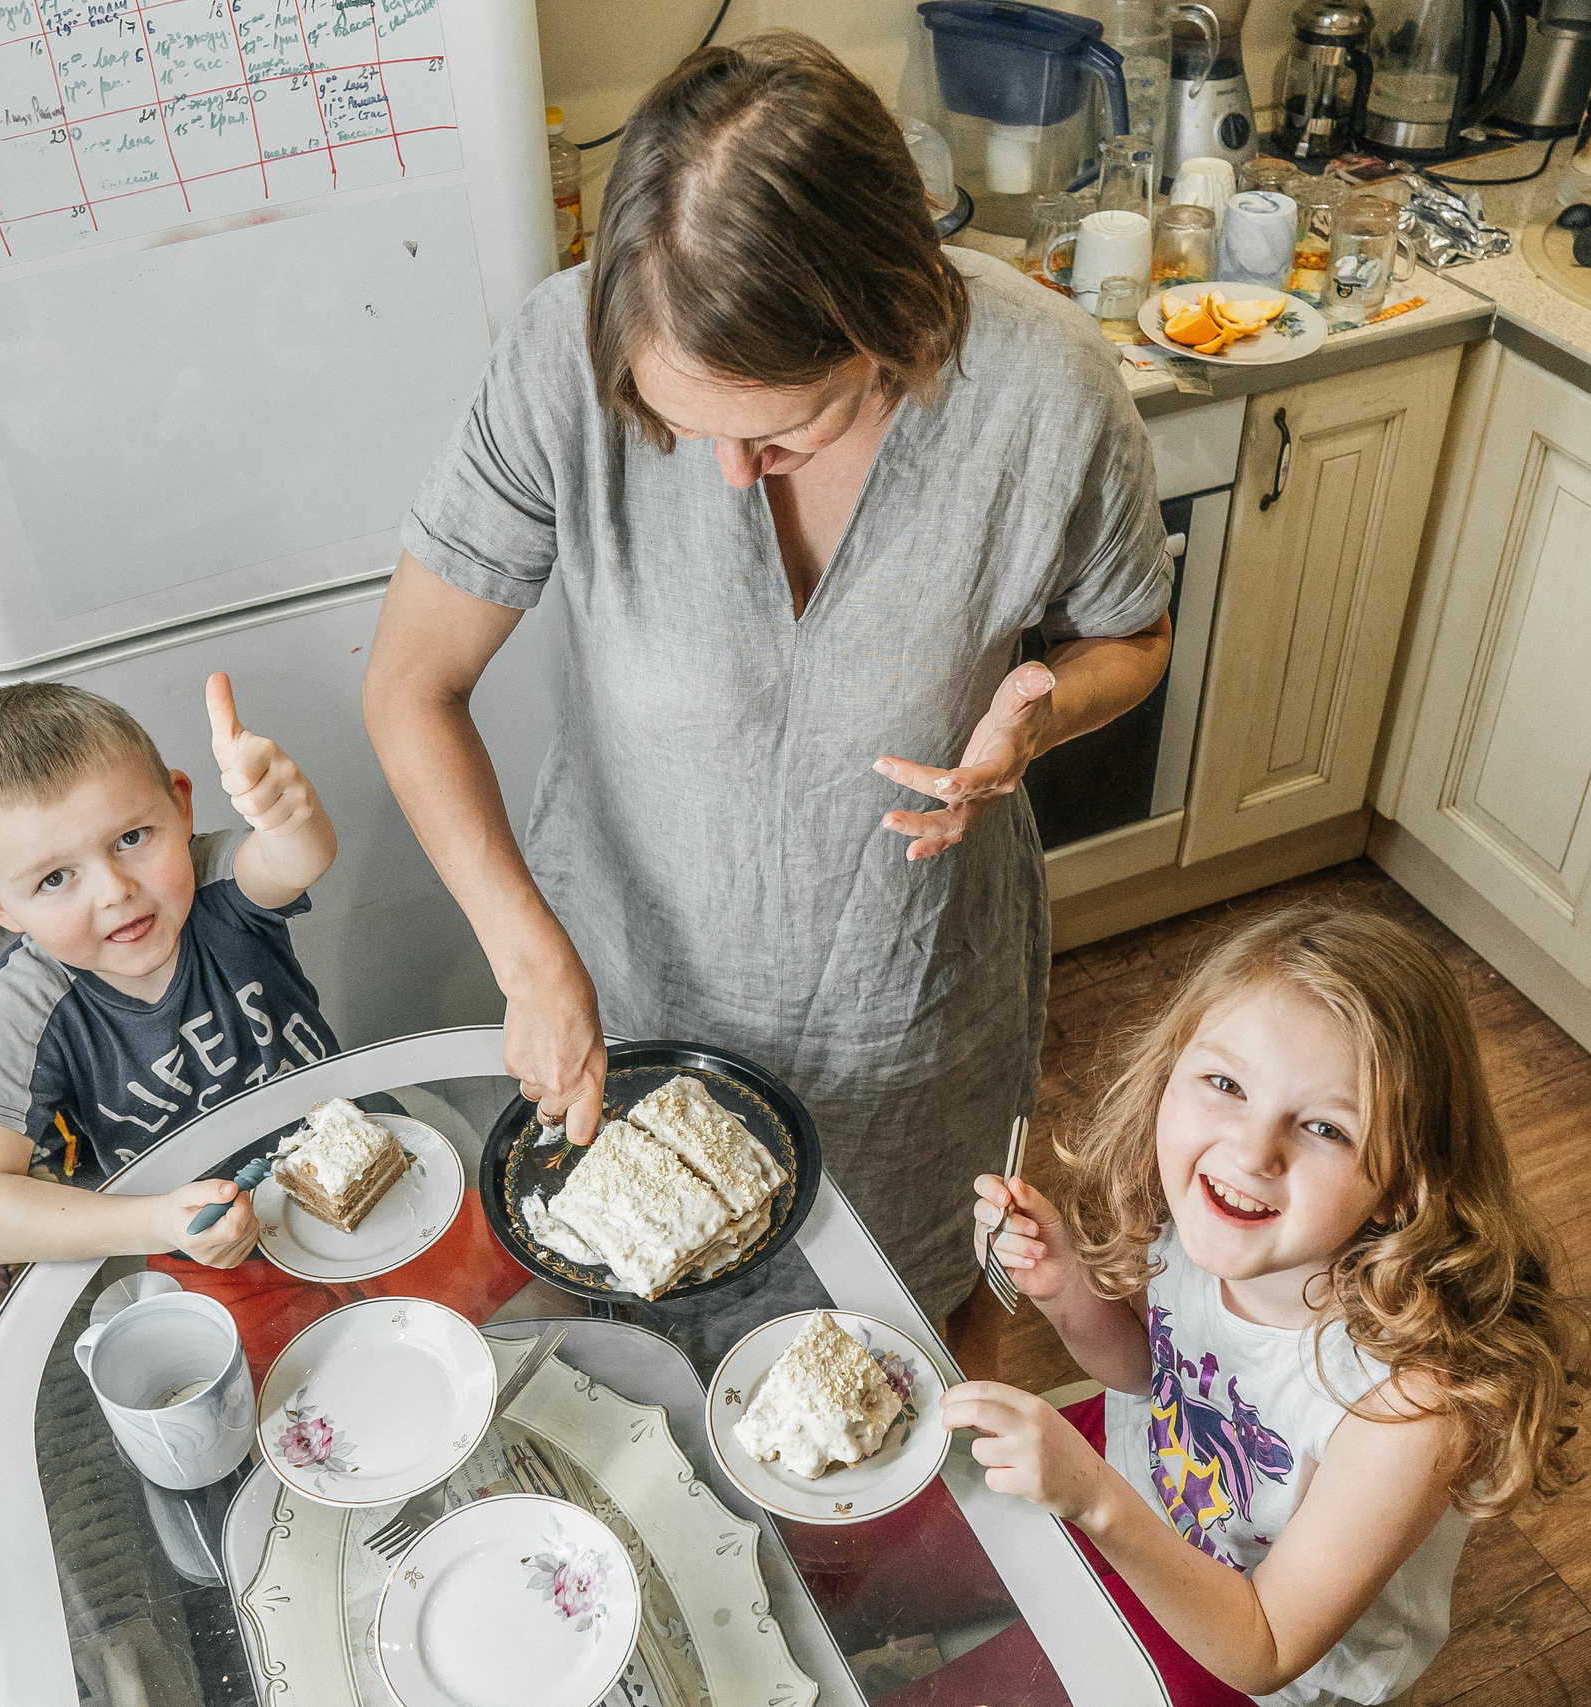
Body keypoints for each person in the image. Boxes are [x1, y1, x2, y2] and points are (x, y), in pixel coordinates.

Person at [363, 33, 1175, 1325]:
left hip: (905, 1013)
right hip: (628, 994)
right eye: (684, 427)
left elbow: (1129, 635)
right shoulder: (553, 361)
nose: (729, 477)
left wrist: (1045, 713)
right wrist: (530, 959)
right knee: (640, 1358)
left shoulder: (1047, 389)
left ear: (891, 322)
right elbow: (410, 685)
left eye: (782, 429)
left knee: (897, 1342)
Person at [944, 906, 1591, 1707]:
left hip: (1239, 1639)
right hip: (1140, 1483)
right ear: (1166, 1077)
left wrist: (1094, 1497)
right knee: (912, 1550)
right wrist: (1066, 1288)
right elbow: (1148, 1374)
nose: (1252, 1152)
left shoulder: (1414, 1405)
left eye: (1325, 1127)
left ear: (1404, 1182)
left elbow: (1268, 1645)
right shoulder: (1198, 1221)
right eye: (1224, 1084)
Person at [0, 674, 338, 1266]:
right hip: (203, 1252)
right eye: (54, 878)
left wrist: (284, 817)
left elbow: (297, 857)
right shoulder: (31, 1003)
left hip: (347, 1155)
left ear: (180, 808)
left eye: (131, 837)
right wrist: (158, 1223)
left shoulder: (216, 884)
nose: (114, 892)